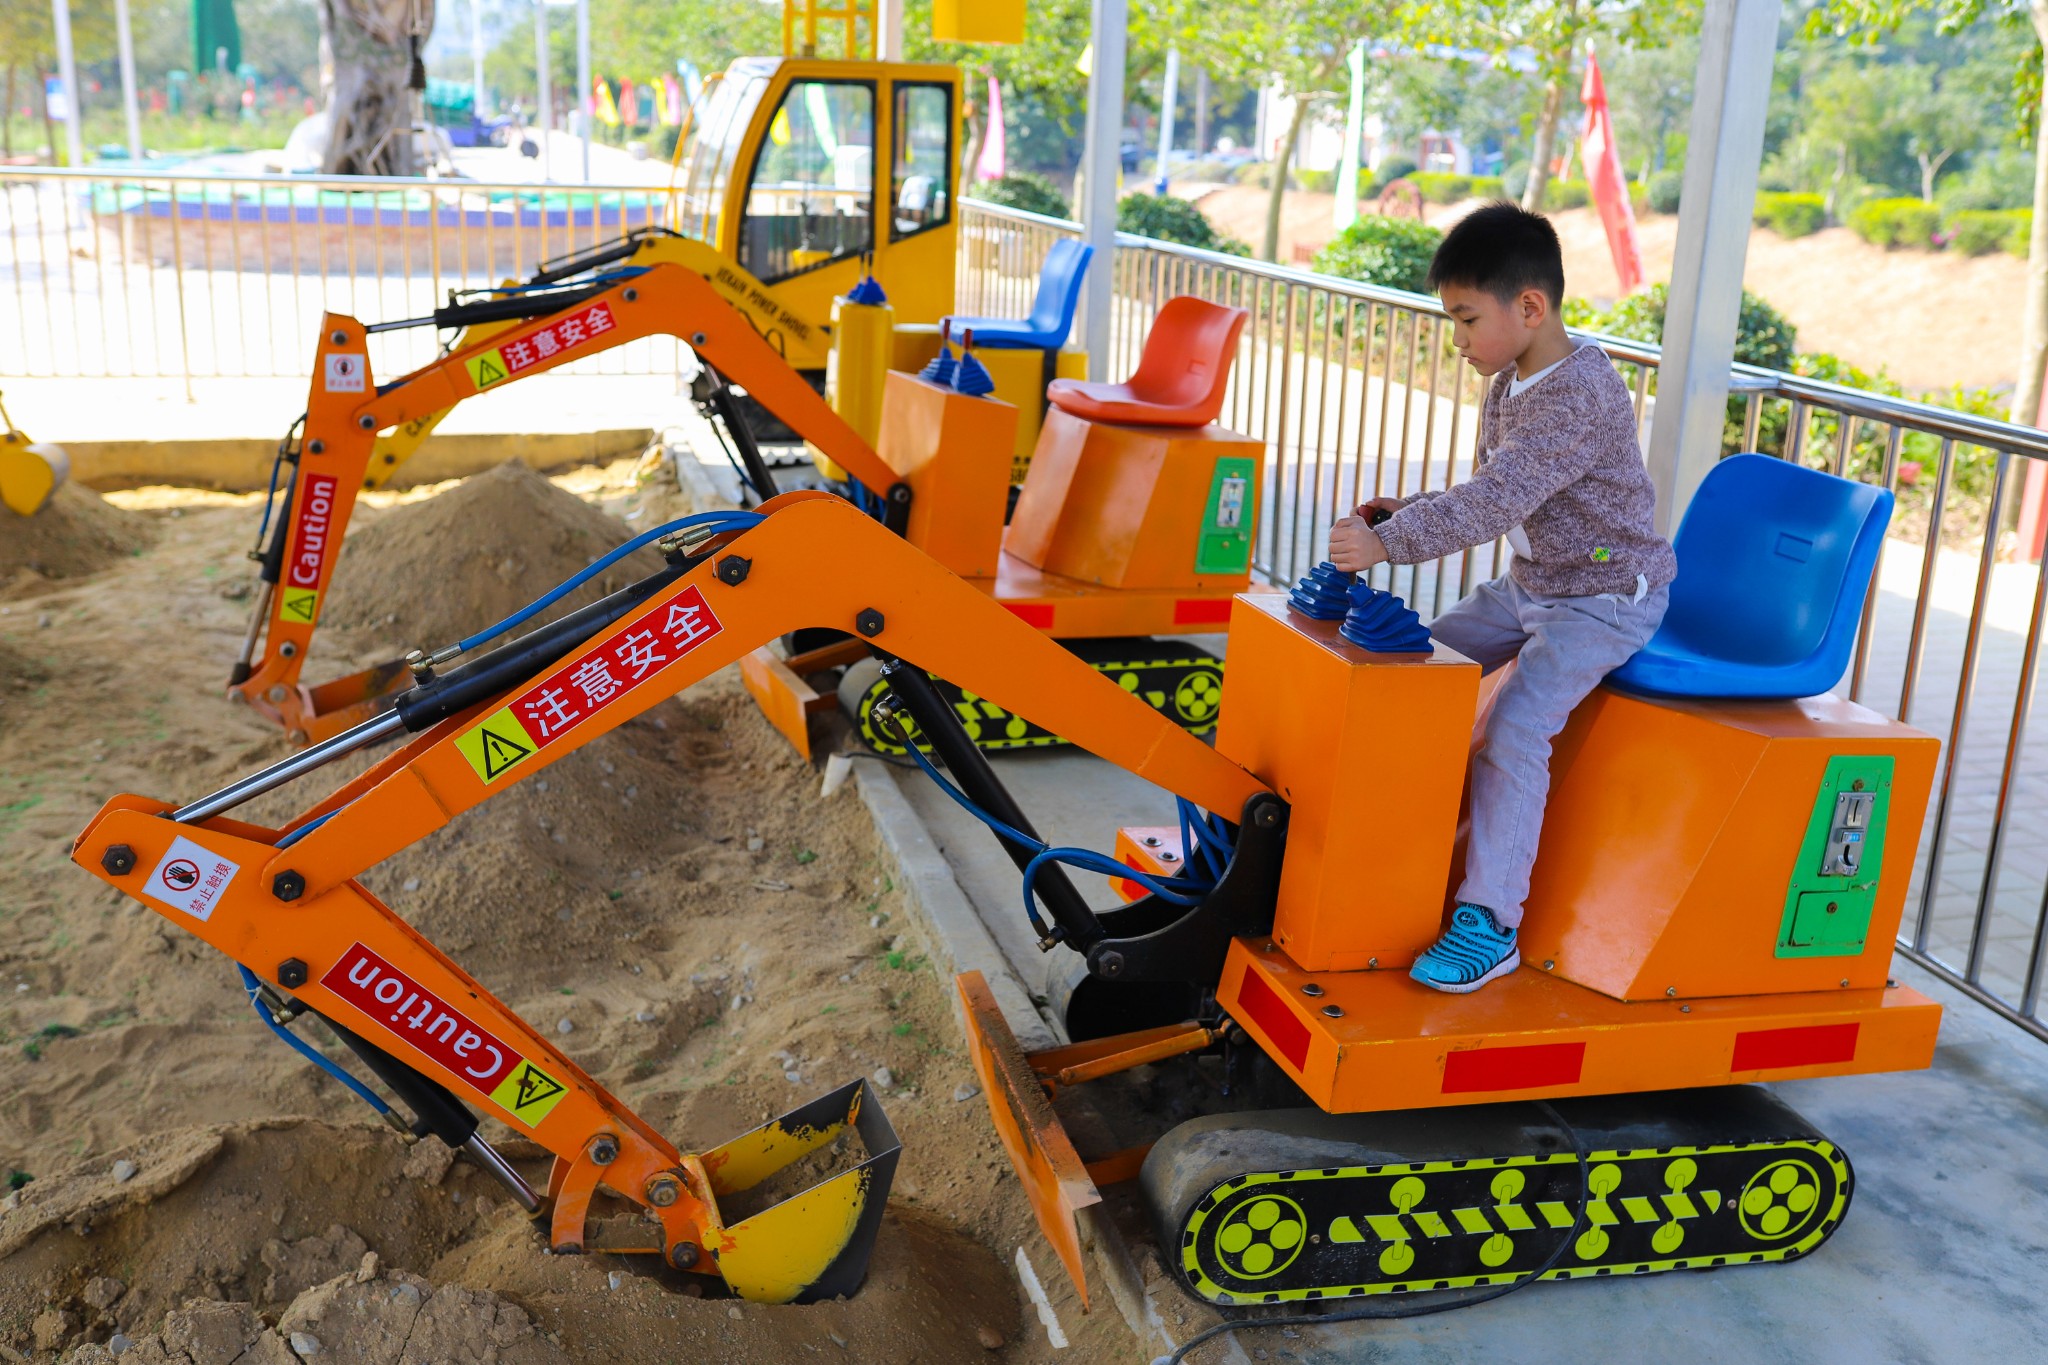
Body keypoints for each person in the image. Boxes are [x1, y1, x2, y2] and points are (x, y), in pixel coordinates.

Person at [1328, 202, 1677, 994]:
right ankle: (1378, 831)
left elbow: (1494, 503)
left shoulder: (1578, 392)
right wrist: (1406, 512)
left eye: (1464, 319)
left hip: (1602, 598)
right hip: (1532, 585)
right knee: (1424, 665)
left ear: (1530, 306)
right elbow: (1495, 488)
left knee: (1514, 728)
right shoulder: (1514, 375)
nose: (1457, 340)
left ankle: (1491, 921)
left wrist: (1390, 543)